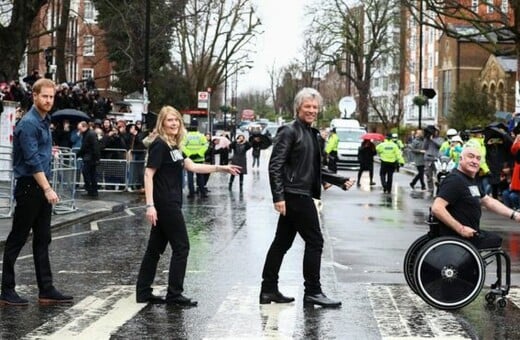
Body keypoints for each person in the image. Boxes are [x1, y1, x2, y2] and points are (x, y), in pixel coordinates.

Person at [260, 88, 355, 308]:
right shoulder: (289, 131)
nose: (311, 110)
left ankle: (268, 289)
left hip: (300, 193)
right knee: (315, 241)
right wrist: (278, 197)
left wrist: (339, 180)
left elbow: (314, 168)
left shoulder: (311, 134)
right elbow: (275, 166)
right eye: (307, 107)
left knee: (281, 243)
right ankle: (313, 291)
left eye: (314, 107)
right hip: (295, 195)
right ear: (298, 108)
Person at [136, 106, 240, 306]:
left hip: (171, 201)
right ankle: (174, 294)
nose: (174, 123)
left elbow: (192, 166)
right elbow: (149, 174)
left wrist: (221, 168)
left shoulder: (174, 146)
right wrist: (150, 205)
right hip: (165, 203)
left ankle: (143, 292)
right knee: (182, 246)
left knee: (154, 249)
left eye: (176, 120)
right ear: (162, 123)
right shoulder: (159, 145)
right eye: (169, 120)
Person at [0, 78, 73, 306]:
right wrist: (48, 188)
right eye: (45, 96)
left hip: (40, 187)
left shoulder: (44, 120)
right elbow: (32, 162)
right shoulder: (29, 124)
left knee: (43, 238)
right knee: (17, 239)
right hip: (31, 187)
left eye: (52, 97)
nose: (49, 100)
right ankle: (6, 290)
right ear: (34, 96)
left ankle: (46, 289)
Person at [431, 146, 520, 249]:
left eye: (478, 158)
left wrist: (514, 215)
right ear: (460, 159)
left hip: (471, 233)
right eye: (471, 157)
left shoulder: (469, 180)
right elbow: (437, 208)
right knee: (496, 241)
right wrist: (461, 229)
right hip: (458, 236)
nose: (475, 161)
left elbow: (487, 201)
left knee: (495, 239)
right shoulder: (455, 180)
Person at [77, 121, 101, 198]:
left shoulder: (90, 134)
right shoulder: (88, 134)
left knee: (88, 174)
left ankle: (91, 191)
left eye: (80, 128)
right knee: (91, 175)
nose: (79, 130)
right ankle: (92, 191)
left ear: (84, 127)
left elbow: (95, 147)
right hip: (90, 157)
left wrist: (97, 158)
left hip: (90, 158)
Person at [182, 127, 208, 198]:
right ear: (197, 128)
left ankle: (191, 193)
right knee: (200, 177)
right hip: (199, 159)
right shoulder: (201, 136)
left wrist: (189, 154)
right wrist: (199, 154)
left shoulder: (186, 136)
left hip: (189, 159)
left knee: (190, 177)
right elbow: (206, 145)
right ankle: (202, 192)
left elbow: (182, 146)